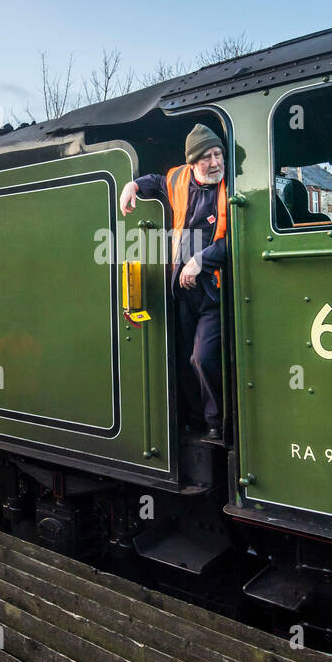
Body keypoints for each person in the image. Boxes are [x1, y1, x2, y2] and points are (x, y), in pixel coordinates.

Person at [119, 124, 227, 441]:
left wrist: (200, 260)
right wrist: (131, 187)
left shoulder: (230, 187)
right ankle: (193, 420)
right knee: (181, 358)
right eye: (207, 157)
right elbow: (155, 181)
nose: (215, 163)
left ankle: (217, 421)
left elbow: (237, 239)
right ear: (193, 162)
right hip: (182, 291)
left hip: (214, 290)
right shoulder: (179, 178)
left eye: (218, 154)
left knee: (202, 357)